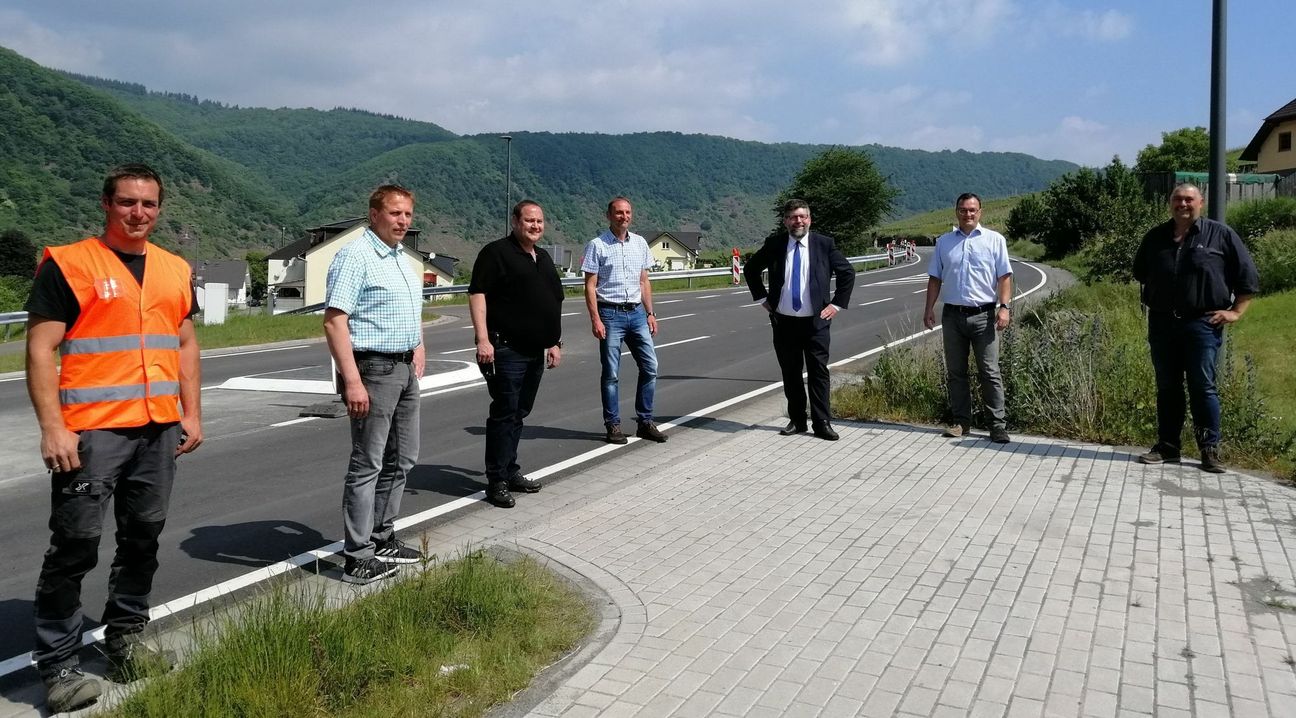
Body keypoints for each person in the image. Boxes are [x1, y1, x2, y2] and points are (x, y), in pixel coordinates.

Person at [25, 163, 202, 713]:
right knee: (75, 545)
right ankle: (58, 665)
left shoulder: (174, 269)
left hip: (158, 428)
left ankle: (125, 639)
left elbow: (186, 343)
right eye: (127, 203)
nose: (139, 214)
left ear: (159, 209)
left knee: (143, 539)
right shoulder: (71, 264)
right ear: (107, 204)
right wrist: (54, 426)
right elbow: (38, 349)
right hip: (94, 433)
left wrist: (192, 412)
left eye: (148, 204)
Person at [324, 184, 426, 585]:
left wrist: (419, 346)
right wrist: (351, 380)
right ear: (374, 215)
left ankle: (383, 536)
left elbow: (410, 310)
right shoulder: (355, 256)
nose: (402, 221)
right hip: (373, 370)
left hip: (404, 368)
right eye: (394, 213)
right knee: (368, 462)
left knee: (403, 458)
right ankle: (357, 555)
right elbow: (335, 321)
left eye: (407, 215)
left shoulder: (402, 258)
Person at [1132, 183, 1259, 473]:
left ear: (1201, 202)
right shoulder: (1155, 237)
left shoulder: (1221, 235)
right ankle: (1168, 446)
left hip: (1203, 323)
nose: (1183, 204)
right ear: (1170, 203)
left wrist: (1236, 312)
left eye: (1189, 199)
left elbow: (1247, 276)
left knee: (1203, 387)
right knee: (1167, 387)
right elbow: (1140, 272)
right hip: (1163, 323)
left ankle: (1209, 450)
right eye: (1178, 199)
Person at [469, 200, 564, 508]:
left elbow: (553, 301)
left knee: (520, 412)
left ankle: (510, 470)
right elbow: (477, 294)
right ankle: (496, 480)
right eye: (529, 221)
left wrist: (554, 342)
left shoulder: (543, 257)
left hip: (536, 350)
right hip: (505, 348)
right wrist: (483, 339)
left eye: (539, 221)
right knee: (504, 412)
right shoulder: (495, 253)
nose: (535, 226)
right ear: (515, 221)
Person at [744, 199, 855, 441]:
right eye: (793, 217)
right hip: (784, 322)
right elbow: (751, 269)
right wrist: (762, 298)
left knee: (818, 372)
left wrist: (836, 304)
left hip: (815, 323)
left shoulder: (824, 244)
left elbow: (847, 273)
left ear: (810, 220)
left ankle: (822, 422)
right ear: (785, 221)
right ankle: (797, 420)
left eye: (803, 216)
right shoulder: (775, 244)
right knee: (791, 372)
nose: (799, 221)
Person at [923, 192, 1013, 443]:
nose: (968, 214)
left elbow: (1004, 277)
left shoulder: (995, 240)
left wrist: (1004, 307)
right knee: (956, 372)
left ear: (980, 212)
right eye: (963, 210)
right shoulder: (944, 242)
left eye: (973, 210)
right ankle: (961, 422)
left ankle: (997, 425)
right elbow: (935, 278)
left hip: (984, 315)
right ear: (957, 212)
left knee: (990, 371)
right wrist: (929, 308)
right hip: (952, 315)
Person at [582, 197, 667, 444]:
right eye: (618, 213)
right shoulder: (597, 245)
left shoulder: (640, 243)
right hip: (610, 314)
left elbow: (644, 281)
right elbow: (590, 286)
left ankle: (645, 422)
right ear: (608, 215)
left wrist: (651, 313)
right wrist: (595, 319)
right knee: (611, 374)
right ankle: (613, 425)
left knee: (650, 367)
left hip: (637, 313)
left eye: (628, 212)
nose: (624, 216)